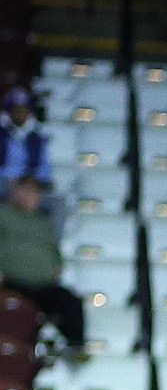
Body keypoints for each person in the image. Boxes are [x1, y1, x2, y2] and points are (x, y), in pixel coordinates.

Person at [0, 174, 84, 349]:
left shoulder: (44, 223)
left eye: (34, 192)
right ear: (15, 192)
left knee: (70, 303)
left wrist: (56, 266)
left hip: (43, 286)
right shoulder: (4, 215)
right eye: (26, 190)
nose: (30, 196)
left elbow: (53, 249)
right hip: (11, 283)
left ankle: (75, 348)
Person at [0, 89, 51, 190]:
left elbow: (44, 169)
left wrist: (33, 181)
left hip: (28, 187)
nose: (20, 114)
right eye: (16, 110)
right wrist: (9, 180)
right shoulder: (1, 135)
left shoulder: (37, 139)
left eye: (23, 110)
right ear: (9, 113)